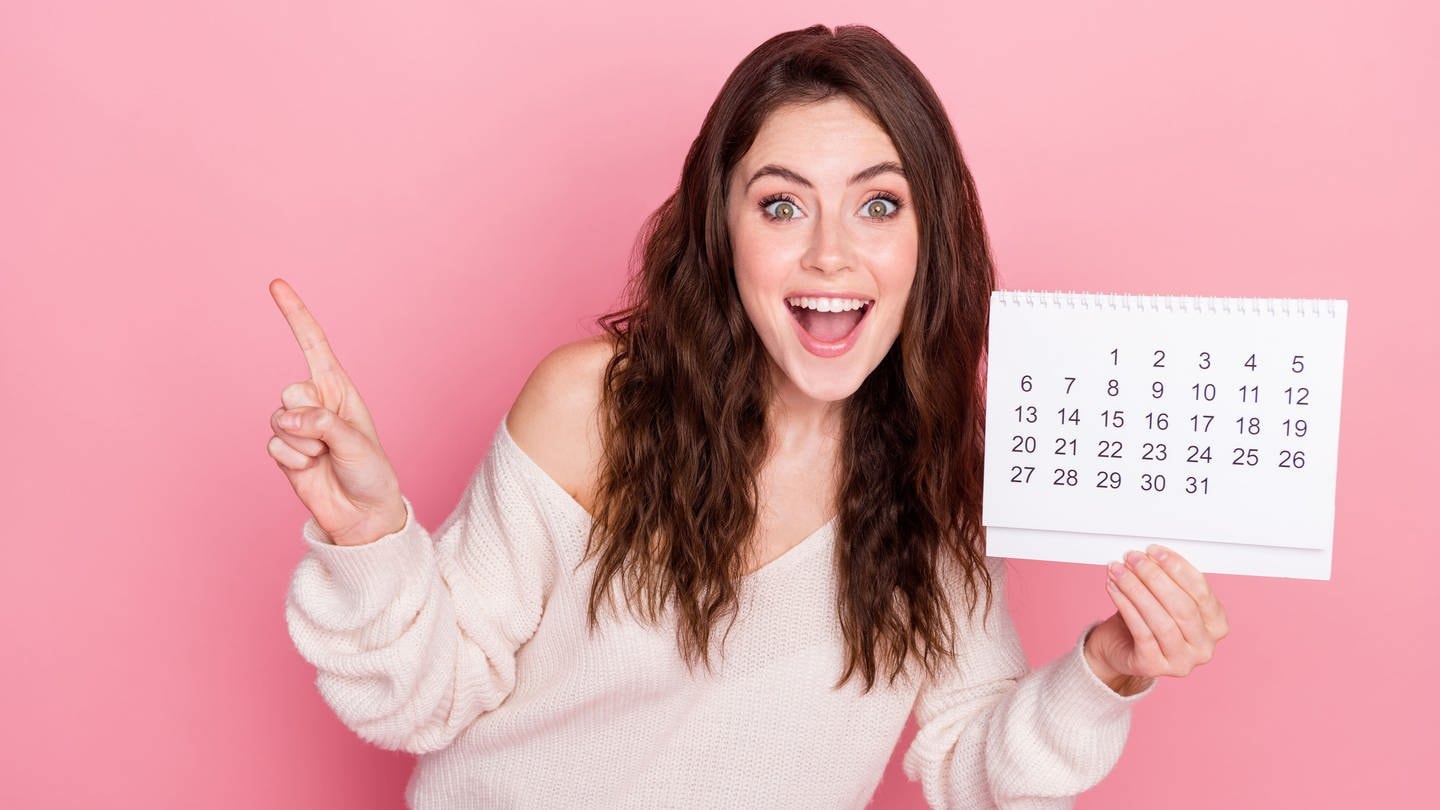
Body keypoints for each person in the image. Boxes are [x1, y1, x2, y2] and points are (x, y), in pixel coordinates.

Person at [268, 24, 1228, 809]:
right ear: (721, 230)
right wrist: (366, 531)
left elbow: (977, 766)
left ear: (931, 236)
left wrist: (1109, 665)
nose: (830, 256)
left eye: (878, 205)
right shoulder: (592, 406)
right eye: (780, 207)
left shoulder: (944, 485)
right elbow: (422, 699)